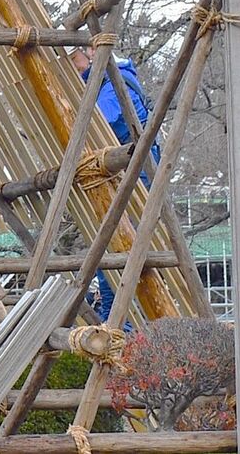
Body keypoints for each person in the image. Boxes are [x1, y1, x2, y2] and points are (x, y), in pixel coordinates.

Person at [70, 46, 158, 327]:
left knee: (121, 249)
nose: (74, 68)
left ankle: (122, 325)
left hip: (134, 173)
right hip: (115, 174)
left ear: (92, 51)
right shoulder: (97, 83)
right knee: (109, 250)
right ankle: (113, 320)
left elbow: (105, 118)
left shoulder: (118, 80)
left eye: (75, 60)